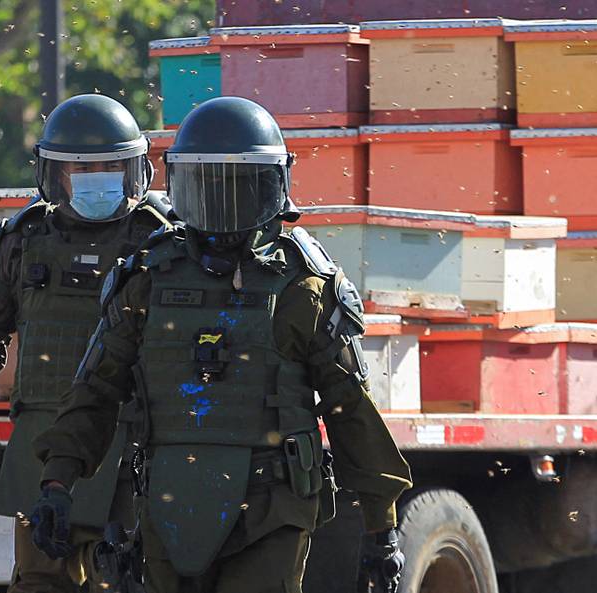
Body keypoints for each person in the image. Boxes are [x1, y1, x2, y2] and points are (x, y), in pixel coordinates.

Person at [29, 96, 413, 593]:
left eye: (238, 186)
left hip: (271, 510)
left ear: (269, 186)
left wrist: (383, 529)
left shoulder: (302, 288)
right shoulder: (147, 280)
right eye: (209, 185)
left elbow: (351, 410)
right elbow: (95, 392)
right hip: (169, 502)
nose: (223, 204)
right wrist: (57, 483)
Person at [0, 94, 172, 593]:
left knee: (125, 577)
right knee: (39, 579)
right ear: (55, 173)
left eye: (108, 166)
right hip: (40, 444)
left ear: (133, 170)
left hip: (133, 448)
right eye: (82, 167)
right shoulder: (22, 241)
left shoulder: (162, 243)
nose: (96, 177)